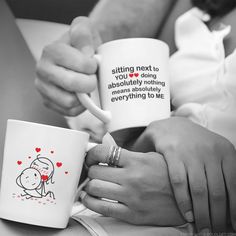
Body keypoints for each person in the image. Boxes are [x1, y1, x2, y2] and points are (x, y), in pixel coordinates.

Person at [35, 0, 236, 233]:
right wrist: (72, 66)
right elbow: (135, 124)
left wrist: (196, 194)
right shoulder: (196, 11)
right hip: (123, 194)